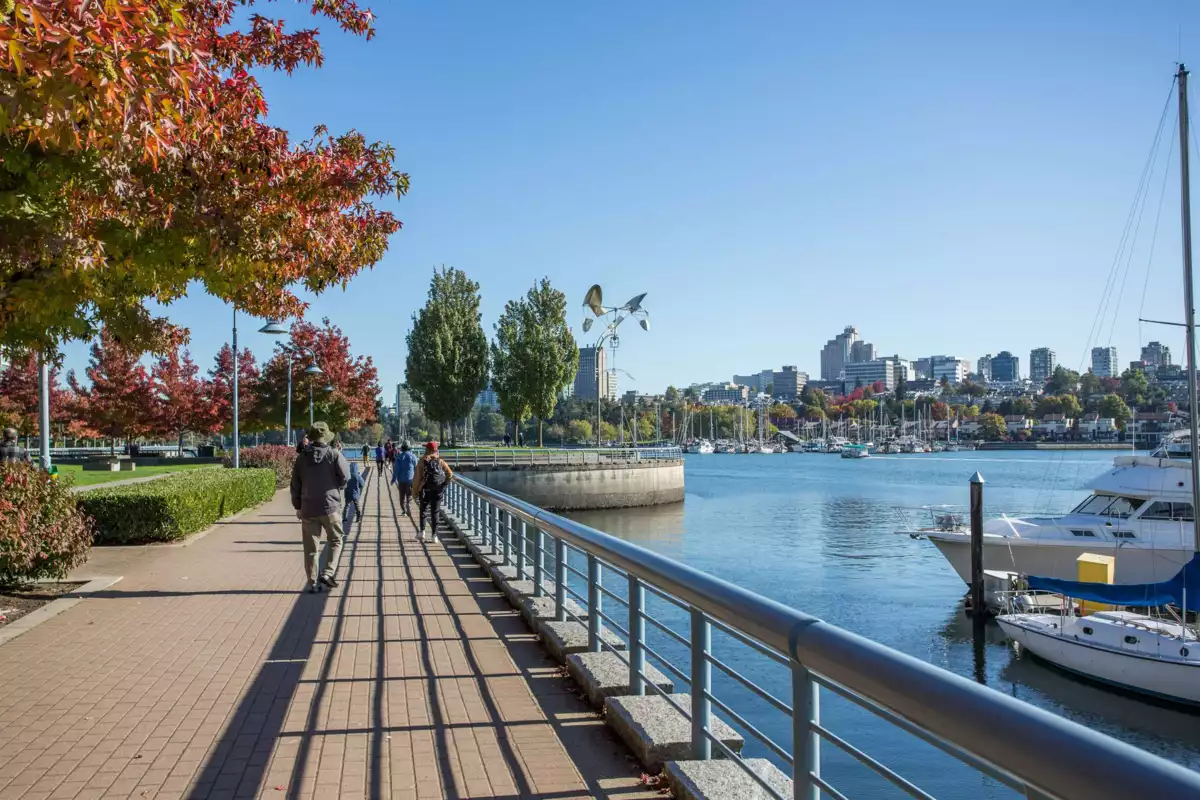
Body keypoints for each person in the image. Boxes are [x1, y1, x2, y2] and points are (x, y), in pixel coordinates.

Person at [290, 422, 350, 593]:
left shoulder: (302, 457)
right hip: (330, 506)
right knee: (336, 540)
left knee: (310, 549)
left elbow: (295, 484)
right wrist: (337, 485)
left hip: (308, 508)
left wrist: (298, 505)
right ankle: (329, 572)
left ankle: (312, 583)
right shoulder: (334, 454)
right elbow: (346, 476)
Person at [411, 440, 453, 543]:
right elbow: (450, 474)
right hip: (438, 490)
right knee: (435, 512)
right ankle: (434, 536)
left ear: (427, 450)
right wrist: (444, 485)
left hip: (425, 490)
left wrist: (414, 492)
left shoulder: (422, 461)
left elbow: (416, 479)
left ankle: (422, 532)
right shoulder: (440, 461)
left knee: (423, 510)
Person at [392, 441, 417, 515]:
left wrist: (393, 479)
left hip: (401, 479)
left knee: (402, 496)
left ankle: (403, 510)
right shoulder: (413, 456)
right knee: (409, 494)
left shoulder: (399, 457)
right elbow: (416, 468)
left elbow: (396, 469)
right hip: (410, 479)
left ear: (402, 448)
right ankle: (408, 504)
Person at [343, 461, 364, 531]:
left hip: (348, 493)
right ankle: (358, 518)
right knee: (357, 506)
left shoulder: (347, 475)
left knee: (347, 505)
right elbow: (362, 484)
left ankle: (344, 518)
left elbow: (343, 483)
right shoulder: (357, 476)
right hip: (355, 494)